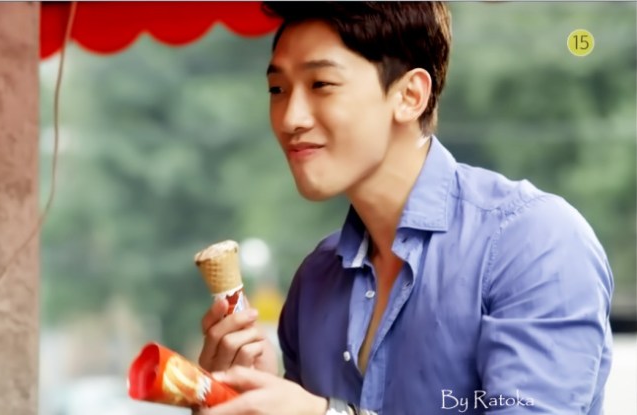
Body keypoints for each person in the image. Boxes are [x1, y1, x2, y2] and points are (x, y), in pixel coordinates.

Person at [197, 2, 614, 414]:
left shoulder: (532, 241)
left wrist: (325, 414)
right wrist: (237, 399)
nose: (291, 118)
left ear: (410, 95)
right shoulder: (315, 281)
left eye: (321, 84)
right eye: (277, 89)